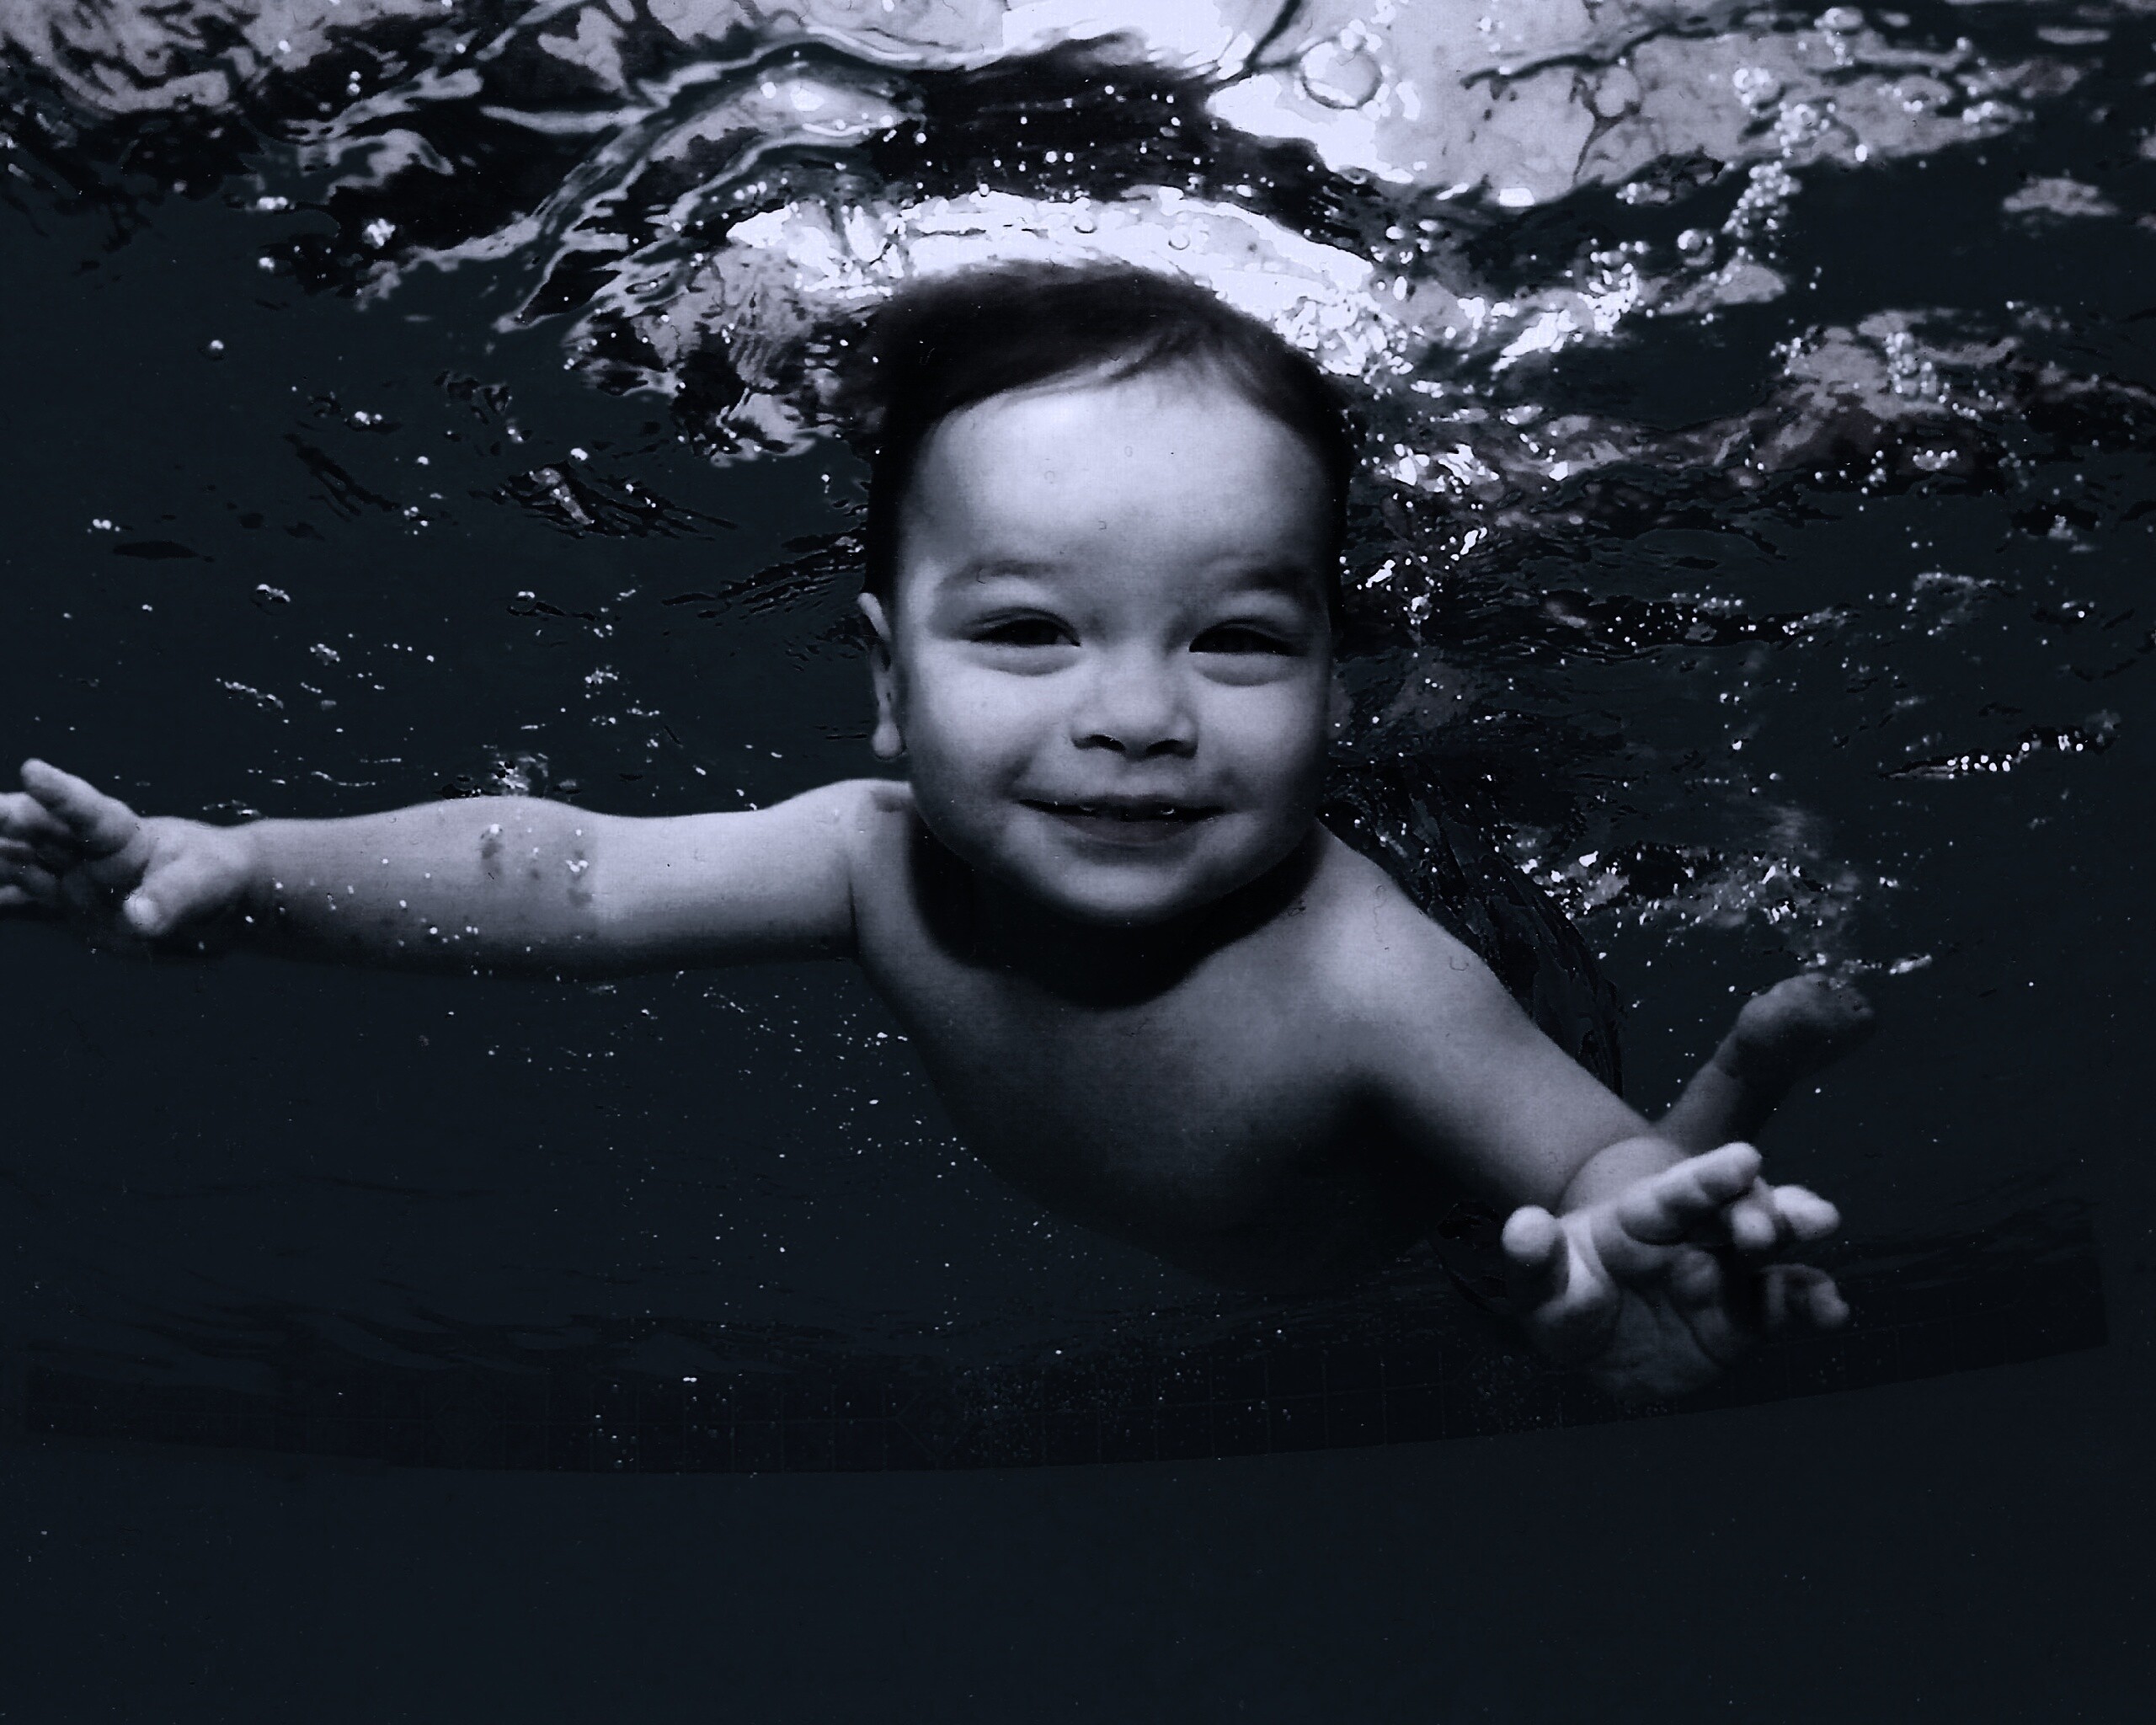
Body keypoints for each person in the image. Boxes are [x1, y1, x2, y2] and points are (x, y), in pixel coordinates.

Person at [0, 264, 1873, 1403]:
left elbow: (1581, 1154)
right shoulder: (873, 857)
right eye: (1030, 629)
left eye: (1236, 639)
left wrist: (1637, 1222)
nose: (1135, 712)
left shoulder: (1370, 973)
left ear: (1328, 676)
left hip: (1436, 1185)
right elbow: (567, 870)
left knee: (1511, 1251)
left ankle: (1747, 486)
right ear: (891, 684)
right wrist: (245, 872)